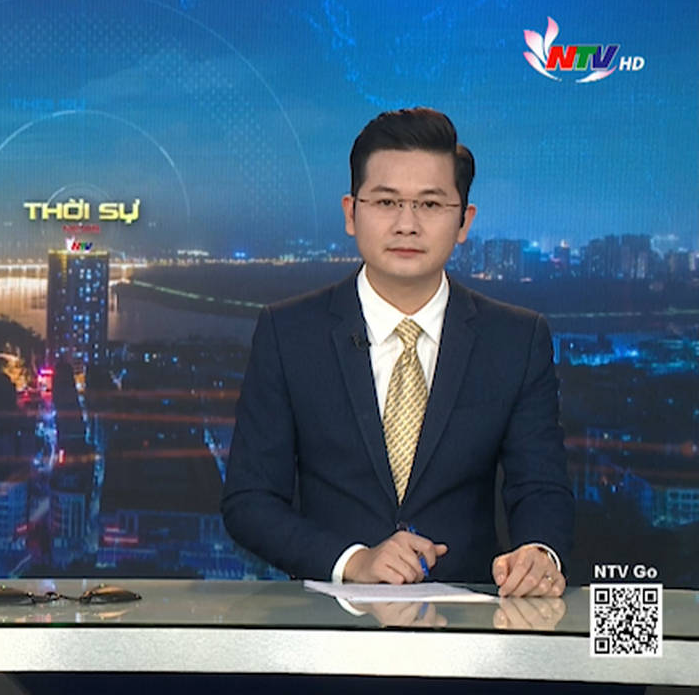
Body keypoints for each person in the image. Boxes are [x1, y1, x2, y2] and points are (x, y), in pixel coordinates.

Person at [222, 108, 573, 597]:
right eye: (386, 202)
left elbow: (540, 486)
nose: (407, 224)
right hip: (328, 625)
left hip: (468, 623)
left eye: (430, 205)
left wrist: (539, 552)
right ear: (351, 213)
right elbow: (249, 501)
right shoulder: (289, 333)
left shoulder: (516, 339)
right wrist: (353, 562)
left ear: (464, 221)